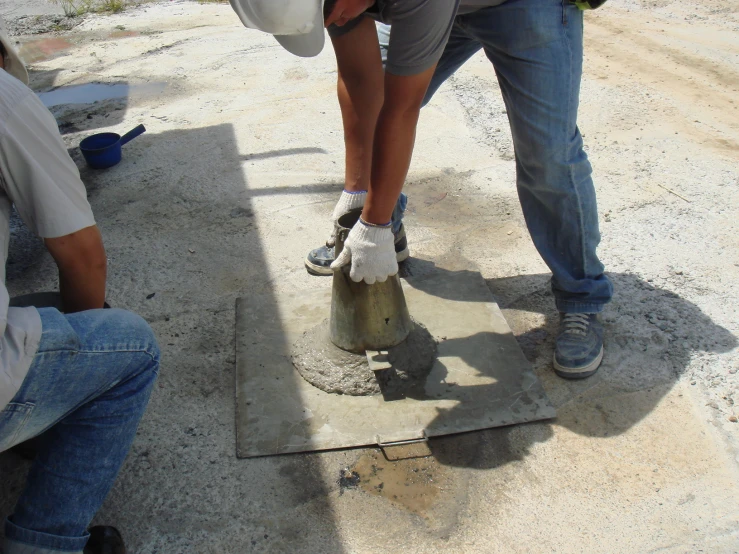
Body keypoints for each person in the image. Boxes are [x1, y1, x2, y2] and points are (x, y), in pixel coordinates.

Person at [228, 0, 613, 379]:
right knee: (376, 96)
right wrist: (358, 196)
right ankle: (383, 229)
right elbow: (362, 85)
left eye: (331, 12)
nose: (333, 20)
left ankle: (581, 294)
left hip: (521, 5)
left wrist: (372, 227)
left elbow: (401, 106)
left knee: (547, 152)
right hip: (433, 7)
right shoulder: (333, 3)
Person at [0, 19, 159, 554]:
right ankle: (46, 541)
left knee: (41, 309)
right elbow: (83, 259)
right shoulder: (6, 100)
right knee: (128, 346)